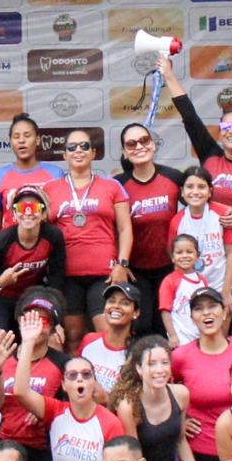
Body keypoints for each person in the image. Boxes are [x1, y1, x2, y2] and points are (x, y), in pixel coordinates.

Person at [163, 55, 232, 266]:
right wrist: (169, 76)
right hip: (206, 256)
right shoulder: (210, 155)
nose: (231, 132)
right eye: (226, 128)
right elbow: (190, 117)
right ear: (221, 133)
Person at [40, 126, 136, 346]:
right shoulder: (49, 189)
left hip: (105, 273)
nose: (78, 151)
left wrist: (122, 264)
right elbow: (40, 230)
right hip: (66, 275)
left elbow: (125, 229)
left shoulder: (112, 186)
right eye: (72, 147)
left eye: (84, 146)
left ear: (93, 153)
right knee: (72, 339)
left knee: (109, 335)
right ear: (64, 155)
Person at [17, 352, 122, 461]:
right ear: (64, 385)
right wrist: (28, 342)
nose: (80, 379)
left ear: (94, 383)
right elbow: (21, 391)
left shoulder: (110, 423)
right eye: (72, 375)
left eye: (86, 375)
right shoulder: (54, 411)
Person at [0, 301, 66, 461]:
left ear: (53, 328)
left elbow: (72, 408)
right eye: (28, 317)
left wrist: (46, 409)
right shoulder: (4, 357)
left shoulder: (62, 362)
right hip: (5, 445)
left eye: (42, 319)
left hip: (42, 451)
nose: (34, 324)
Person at [170, 286, 232, 460]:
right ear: (192, 318)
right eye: (199, 309)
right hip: (202, 450)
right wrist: (180, 421)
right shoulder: (180, 356)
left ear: (224, 312)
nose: (206, 313)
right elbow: (164, 390)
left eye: (212, 306)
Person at [115, 116, 183, 334]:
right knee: (141, 326)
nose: (139, 147)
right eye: (131, 144)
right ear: (124, 152)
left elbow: (201, 197)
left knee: (167, 327)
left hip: (170, 268)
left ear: (153, 144)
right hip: (136, 271)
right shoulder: (119, 185)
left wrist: (228, 211)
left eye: (144, 140)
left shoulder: (173, 178)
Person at [0, 185, 62, 340]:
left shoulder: (53, 236)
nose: (27, 213)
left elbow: (57, 278)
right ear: (14, 214)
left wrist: (56, 318)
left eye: (33, 207)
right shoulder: (3, 240)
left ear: (43, 213)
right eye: (22, 207)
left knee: (54, 339)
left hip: (31, 296)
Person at [109, 338, 197, 461]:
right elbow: (135, 458)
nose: (160, 370)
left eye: (164, 363)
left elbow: (181, 440)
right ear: (139, 369)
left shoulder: (181, 394)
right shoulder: (129, 407)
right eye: (151, 364)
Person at [0, 113, 60, 222]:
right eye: (16, 136)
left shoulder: (56, 174)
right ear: (11, 142)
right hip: (11, 239)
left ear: (38, 140)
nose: (21, 140)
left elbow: (60, 219)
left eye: (27, 135)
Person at [78, 279, 142, 395]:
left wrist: (106, 401)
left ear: (135, 313)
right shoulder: (89, 341)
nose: (116, 306)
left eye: (125, 303)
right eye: (111, 301)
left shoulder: (138, 353)